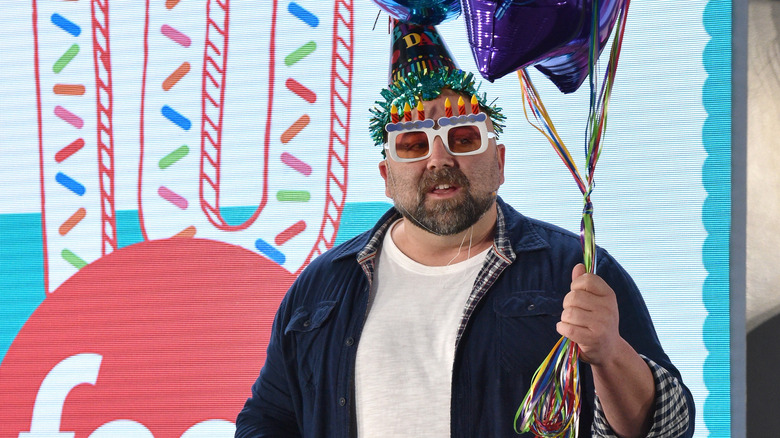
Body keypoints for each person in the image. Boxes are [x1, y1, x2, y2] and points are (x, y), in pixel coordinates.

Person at [236, 21, 694, 438]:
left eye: (463, 138)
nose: (439, 159)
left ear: (498, 162)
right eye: (413, 144)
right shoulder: (321, 289)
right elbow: (267, 421)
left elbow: (668, 429)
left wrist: (611, 352)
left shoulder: (575, 271)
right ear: (387, 177)